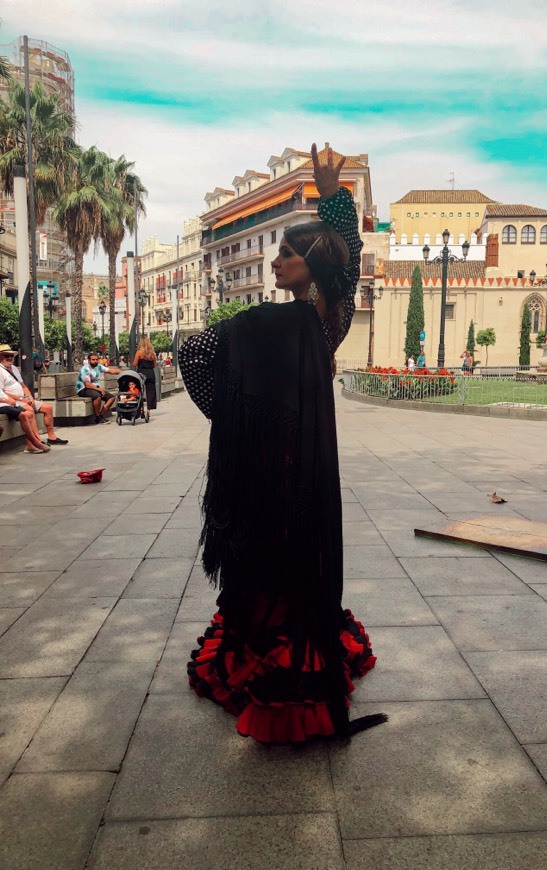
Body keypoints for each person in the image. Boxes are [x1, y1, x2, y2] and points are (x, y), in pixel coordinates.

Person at [179, 143, 384, 744]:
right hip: (307, 466)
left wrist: (233, 419)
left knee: (270, 555)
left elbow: (193, 354)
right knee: (293, 557)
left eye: (287, 254)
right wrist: (334, 199)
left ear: (310, 266)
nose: (276, 264)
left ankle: (273, 651)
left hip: (271, 468)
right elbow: (345, 267)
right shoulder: (329, 321)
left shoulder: (274, 324)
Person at [0, 345, 68, 446]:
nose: (9, 358)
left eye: (11, 356)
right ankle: (37, 439)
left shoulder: (13, 368)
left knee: (47, 407)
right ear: (0, 357)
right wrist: (21, 399)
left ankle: (52, 437)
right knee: (29, 410)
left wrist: (30, 397)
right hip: (14, 401)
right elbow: (3, 392)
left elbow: (23, 386)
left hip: (23, 399)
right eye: (6, 356)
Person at [0, 385, 52, 453]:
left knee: (29, 414)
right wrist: (6, 400)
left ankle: (30, 445)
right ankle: (35, 441)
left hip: (9, 404)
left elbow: (3, 392)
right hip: (3, 405)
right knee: (24, 415)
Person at [76, 353, 121, 423]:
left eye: (97, 359)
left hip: (94, 388)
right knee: (97, 396)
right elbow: (87, 385)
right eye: (93, 359)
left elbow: (111, 371)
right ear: (88, 360)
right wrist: (99, 389)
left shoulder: (98, 367)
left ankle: (100, 416)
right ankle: (97, 417)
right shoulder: (85, 369)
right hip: (83, 389)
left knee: (111, 398)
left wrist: (124, 372)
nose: (95, 361)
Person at [133, 337, 157, 410]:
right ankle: (149, 409)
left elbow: (135, 364)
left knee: (138, 390)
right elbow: (155, 365)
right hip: (150, 373)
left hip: (141, 373)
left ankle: (140, 408)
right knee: (151, 391)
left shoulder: (139, 352)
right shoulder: (152, 353)